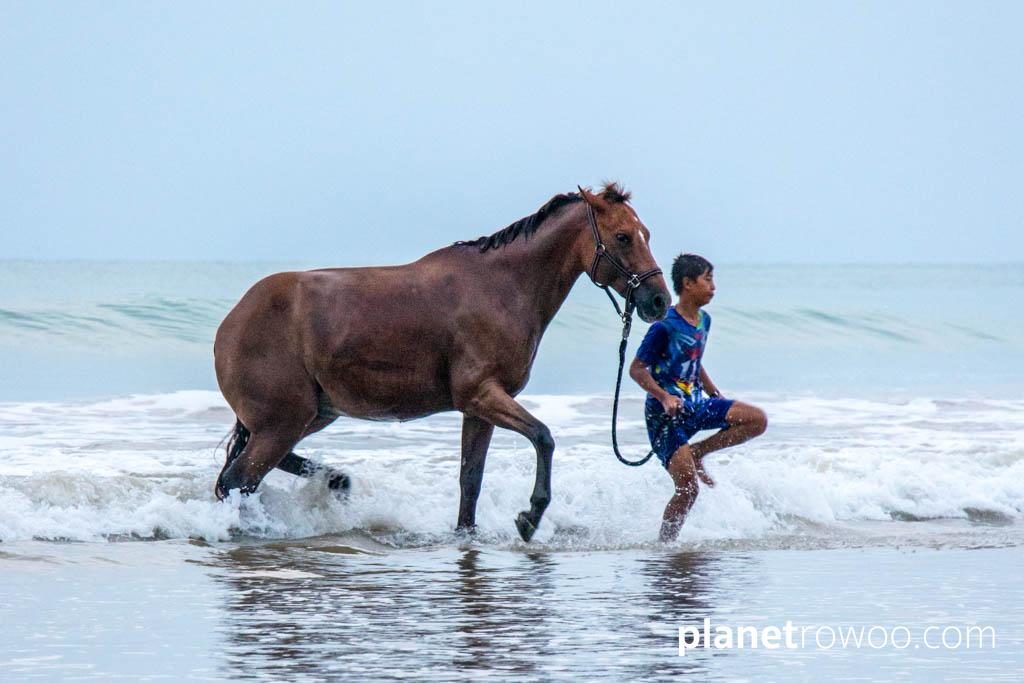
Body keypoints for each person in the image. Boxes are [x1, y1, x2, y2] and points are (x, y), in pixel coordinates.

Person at [629, 253, 767, 541]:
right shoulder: (663, 326)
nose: (713, 286)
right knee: (688, 488)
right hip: (664, 417)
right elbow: (637, 369)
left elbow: (694, 358)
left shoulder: (704, 320)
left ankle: (699, 452)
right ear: (688, 284)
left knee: (756, 420)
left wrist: (714, 391)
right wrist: (664, 397)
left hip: (695, 405)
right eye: (708, 279)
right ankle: (664, 546)